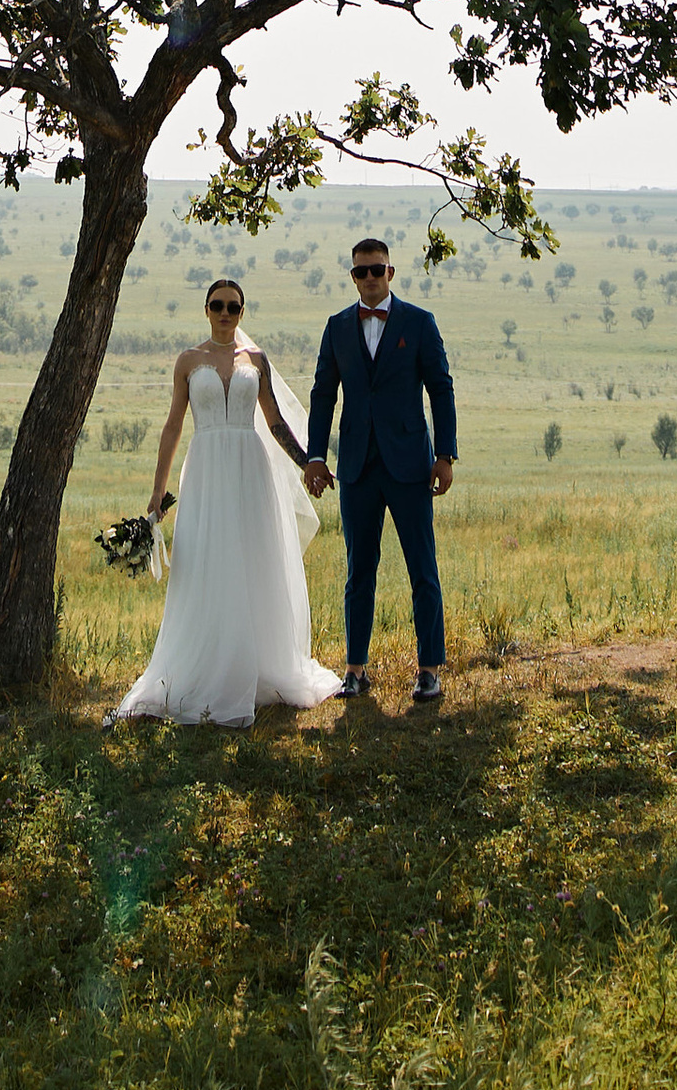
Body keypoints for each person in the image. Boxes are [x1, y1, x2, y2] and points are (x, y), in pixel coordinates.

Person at [106, 276, 343, 725]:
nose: (224, 314)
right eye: (217, 305)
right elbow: (174, 425)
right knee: (209, 561)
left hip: (250, 467)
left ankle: (258, 666)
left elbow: (273, 422)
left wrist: (308, 462)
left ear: (242, 312)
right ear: (206, 309)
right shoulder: (188, 361)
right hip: (207, 468)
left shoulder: (256, 360)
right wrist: (157, 491)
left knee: (254, 559)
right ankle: (209, 666)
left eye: (233, 307)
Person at [303, 233, 457, 703]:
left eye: (376, 269)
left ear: (390, 272)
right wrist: (314, 456)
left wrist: (445, 455)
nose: (368, 278)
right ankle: (355, 669)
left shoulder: (420, 321)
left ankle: (429, 669)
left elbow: (441, 388)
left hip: (410, 463)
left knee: (422, 568)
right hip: (356, 466)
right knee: (358, 571)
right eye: (359, 271)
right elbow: (323, 393)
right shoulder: (336, 327)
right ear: (352, 277)